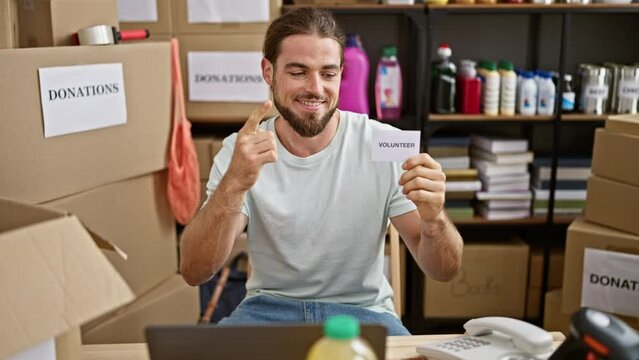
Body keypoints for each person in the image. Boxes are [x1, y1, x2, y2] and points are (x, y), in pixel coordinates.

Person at [180, 7, 463, 336]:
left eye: (328, 74)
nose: (315, 88)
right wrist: (233, 186)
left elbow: (445, 271)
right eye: (298, 72)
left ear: (342, 73)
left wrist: (435, 218)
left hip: (363, 314)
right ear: (268, 72)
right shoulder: (241, 151)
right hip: (268, 312)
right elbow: (194, 271)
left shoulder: (387, 144)